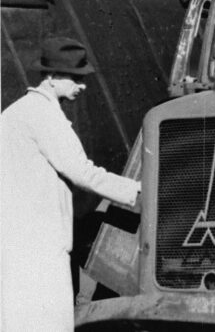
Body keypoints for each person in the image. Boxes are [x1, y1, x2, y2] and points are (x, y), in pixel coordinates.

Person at [1, 37, 142, 331]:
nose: (83, 85)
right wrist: (137, 190)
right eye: (76, 78)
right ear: (52, 77)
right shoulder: (44, 116)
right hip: (41, 244)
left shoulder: (14, 113)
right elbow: (83, 172)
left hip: (15, 242)